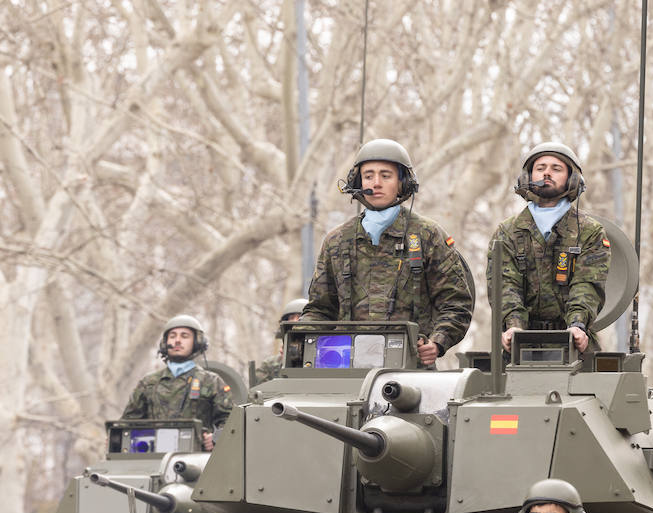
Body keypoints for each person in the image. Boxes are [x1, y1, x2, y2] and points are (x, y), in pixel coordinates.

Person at [303, 139, 474, 367]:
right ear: (358, 182)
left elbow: (456, 303)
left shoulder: (427, 236)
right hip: (345, 369)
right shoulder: (337, 241)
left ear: (402, 183)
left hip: (411, 370)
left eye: (386, 175)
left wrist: (437, 342)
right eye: (369, 175)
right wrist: (298, 339)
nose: (376, 183)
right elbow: (320, 309)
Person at [488, 142, 610, 355]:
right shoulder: (507, 232)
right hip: (519, 345)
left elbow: (587, 285)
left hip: (574, 345)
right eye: (540, 168)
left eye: (556, 169)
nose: (547, 173)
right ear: (528, 176)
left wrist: (577, 324)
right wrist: (513, 325)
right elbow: (505, 285)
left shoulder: (589, 231)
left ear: (572, 180)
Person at [122, 315, 233, 451]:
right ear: (165, 342)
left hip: (198, 461)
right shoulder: (148, 383)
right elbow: (128, 423)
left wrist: (216, 438)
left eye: (185, 336)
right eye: (173, 336)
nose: (178, 341)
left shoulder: (211, 381)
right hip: (153, 459)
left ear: (197, 342)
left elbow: (231, 420)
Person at [252, 299, 307, 385]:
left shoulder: (322, 361)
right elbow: (260, 391)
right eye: (292, 317)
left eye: (300, 317)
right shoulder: (270, 365)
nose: (296, 321)